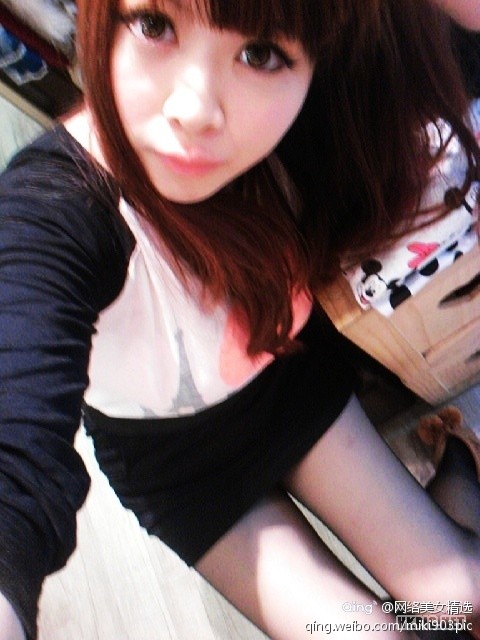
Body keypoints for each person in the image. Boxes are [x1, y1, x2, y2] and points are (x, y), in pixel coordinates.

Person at [0, 1, 479, 639]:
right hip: (181, 468)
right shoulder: (55, 207)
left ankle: (454, 460)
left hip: (290, 382)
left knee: (458, 599)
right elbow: (15, 441)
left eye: (259, 53)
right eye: (154, 24)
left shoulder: (322, 108)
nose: (194, 109)